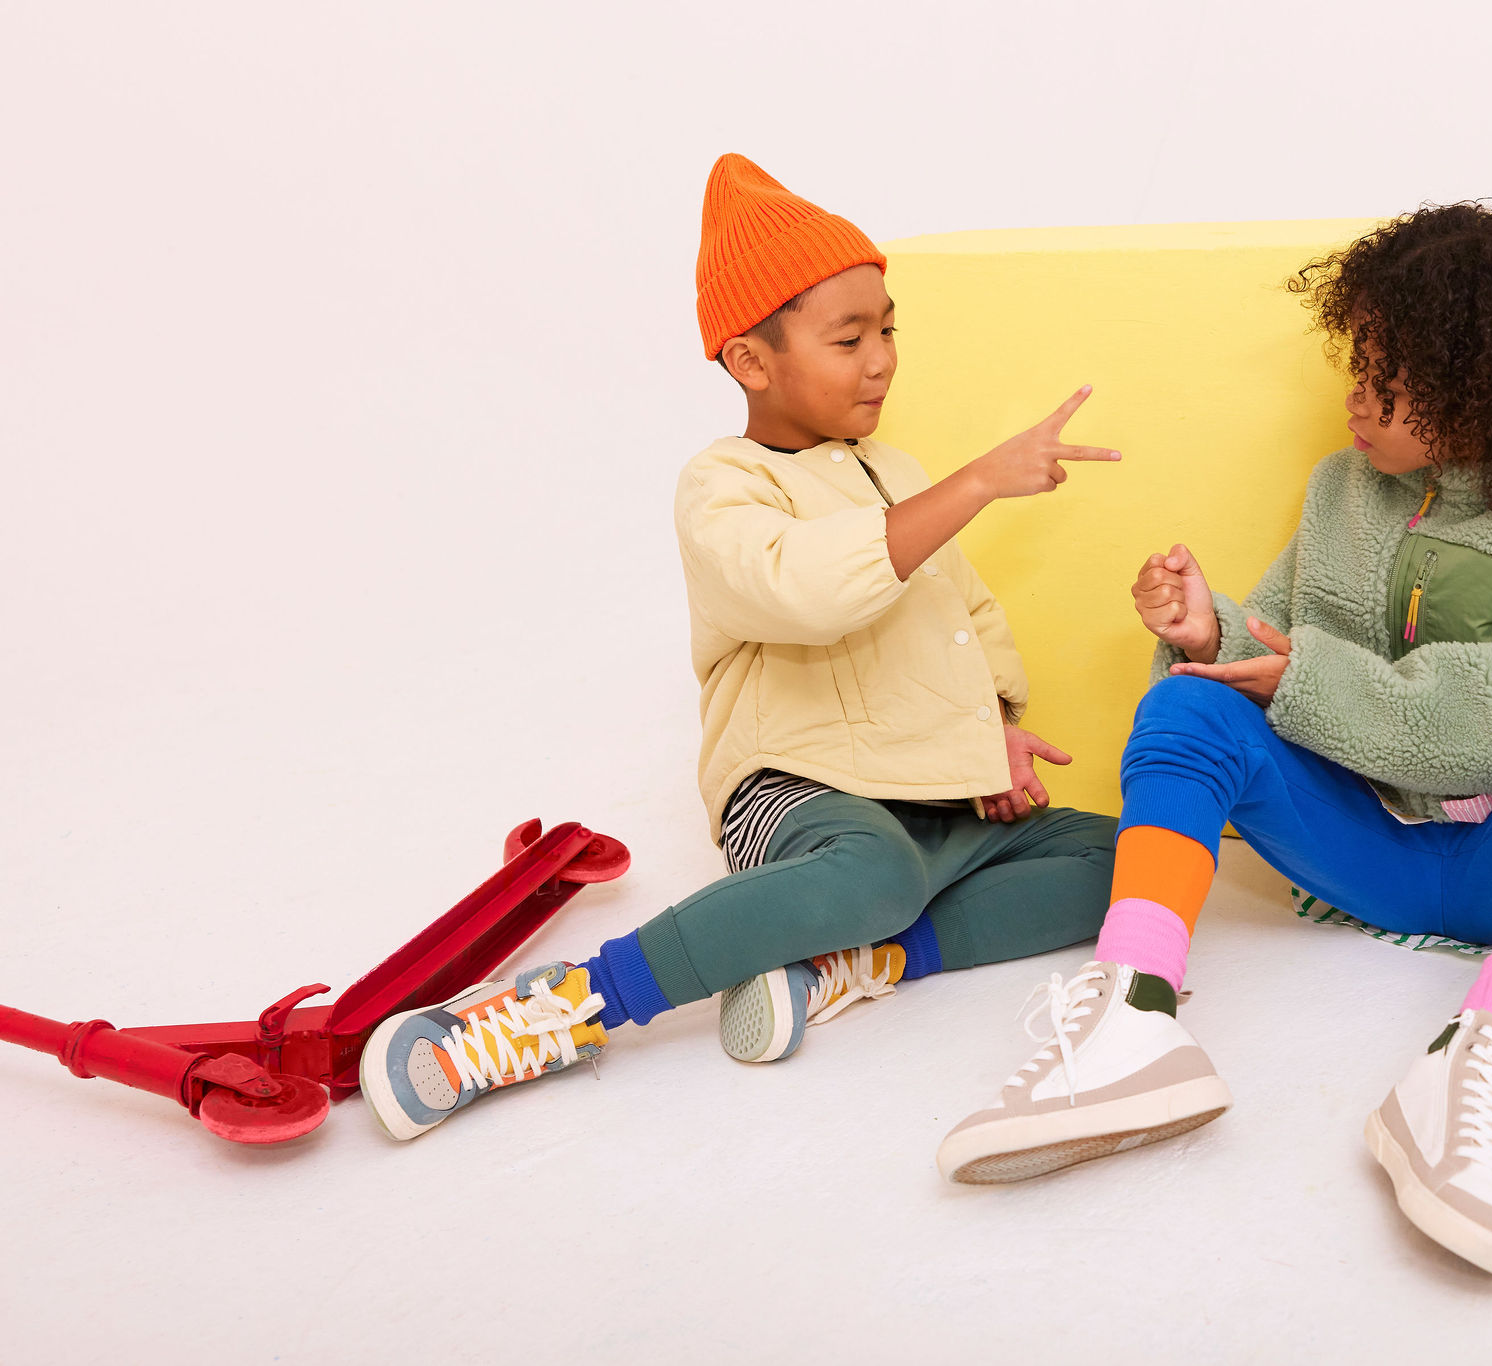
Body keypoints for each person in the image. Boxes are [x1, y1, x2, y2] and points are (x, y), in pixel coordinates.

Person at [938, 202, 1492, 1282]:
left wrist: (1309, 678)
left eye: (1388, 381)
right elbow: (1282, 649)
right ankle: (1133, 1016)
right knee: (1186, 706)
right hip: (1361, 848)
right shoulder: (1342, 489)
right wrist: (1213, 636)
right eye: (1357, 368)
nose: (1354, 400)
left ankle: (1482, 1056)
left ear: (1481, 390)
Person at [360, 153, 1123, 1141]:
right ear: (752, 363)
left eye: (888, 329)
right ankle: (563, 1006)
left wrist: (1000, 730)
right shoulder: (722, 484)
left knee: (1125, 858)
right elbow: (804, 590)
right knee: (875, 872)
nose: (882, 359)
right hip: (800, 788)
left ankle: (859, 957)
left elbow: (960, 614)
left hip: (927, 788)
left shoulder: (897, 471)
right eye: (849, 338)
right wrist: (974, 483)